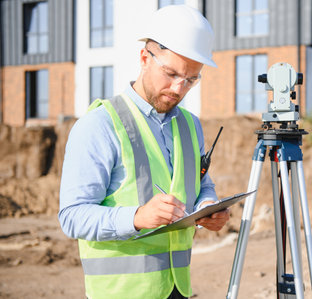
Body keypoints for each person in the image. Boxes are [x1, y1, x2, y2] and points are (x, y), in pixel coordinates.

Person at [58, 5, 230, 299]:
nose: (178, 88)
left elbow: (201, 182)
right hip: (120, 293)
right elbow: (72, 216)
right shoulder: (99, 125)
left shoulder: (191, 126)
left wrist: (208, 204)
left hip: (178, 289)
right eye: (171, 73)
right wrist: (136, 217)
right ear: (144, 58)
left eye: (191, 79)